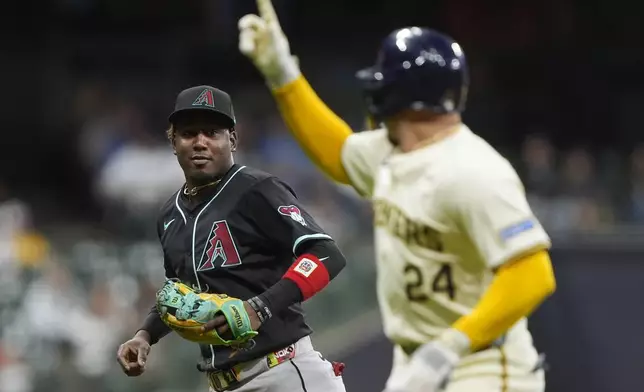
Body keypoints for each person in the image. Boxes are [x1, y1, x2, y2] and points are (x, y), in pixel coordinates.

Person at [237, 2, 557, 391]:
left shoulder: (475, 169)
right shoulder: (393, 151)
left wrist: (450, 346)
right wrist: (282, 75)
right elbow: (337, 152)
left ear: (405, 94)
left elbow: (533, 272)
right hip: (418, 358)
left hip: (482, 362)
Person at [116, 85, 348, 392]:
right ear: (173, 141)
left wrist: (260, 307)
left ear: (233, 139)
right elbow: (179, 294)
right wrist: (145, 335)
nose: (200, 142)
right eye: (188, 133)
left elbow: (327, 254)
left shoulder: (256, 189)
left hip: (283, 372)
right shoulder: (169, 215)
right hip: (221, 383)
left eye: (212, 132)